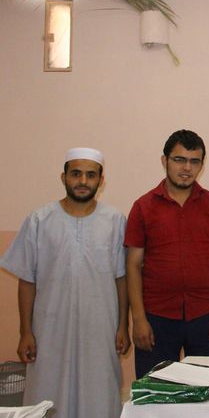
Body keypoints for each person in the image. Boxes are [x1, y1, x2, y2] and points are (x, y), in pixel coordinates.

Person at [0, 148, 129, 418]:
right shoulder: (39, 220)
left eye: (90, 175)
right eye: (76, 174)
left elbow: (121, 279)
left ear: (101, 180)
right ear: (64, 177)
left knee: (99, 391)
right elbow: (27, 280)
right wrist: (25, 331)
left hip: (100, 329)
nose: (83, 181)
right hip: (49, 330)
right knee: (47, 391)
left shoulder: (115, 221)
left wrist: (122, 327)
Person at [126, 130, 209, 377]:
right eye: (179, 160)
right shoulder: (143, 207)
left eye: (194, 161)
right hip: (156, 317)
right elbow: (133, 265)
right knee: (156, 391)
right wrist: (139, 319)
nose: (187, 168)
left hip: (206, 316)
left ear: (201, 165)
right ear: (164, 161)